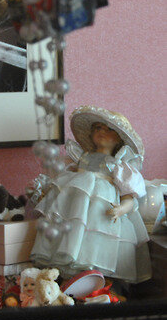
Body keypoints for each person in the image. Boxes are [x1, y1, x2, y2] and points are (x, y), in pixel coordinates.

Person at [30, 106, 151, 284]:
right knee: (72, 235)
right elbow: (64, 186)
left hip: (101, 212)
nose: (102, 132)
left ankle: (96, 281)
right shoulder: (81, 158)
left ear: (119, 139)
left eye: (109, 130)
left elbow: (129, 196)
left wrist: (121, 209)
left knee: (95, 242)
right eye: (98, 128)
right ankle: (69, 278)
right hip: (75, 209)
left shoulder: (118, 165)